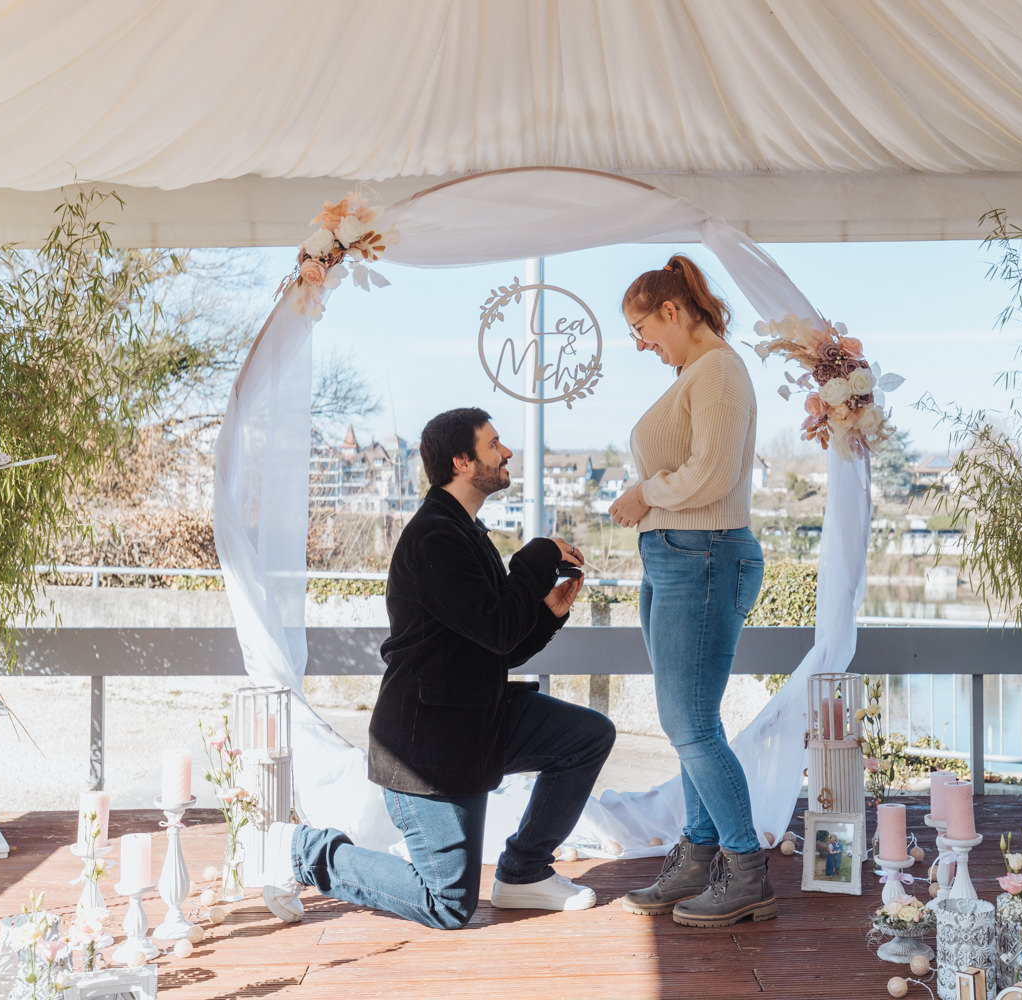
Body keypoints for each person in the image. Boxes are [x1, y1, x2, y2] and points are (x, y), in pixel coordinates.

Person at [251, 407, 616, 929]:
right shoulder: (434, 539)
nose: (507, 452)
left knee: (586, 736)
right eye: (494, 445)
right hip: (429, 744)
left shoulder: (464, 532)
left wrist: (545, 616)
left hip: (478, 718)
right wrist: (536, 557)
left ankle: (524, 872)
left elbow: (498, 645)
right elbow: (495, 627)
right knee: (447, 904)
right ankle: (302, 851)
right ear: (462, 461)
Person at [608, 254, 773, 928]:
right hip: (677, 559)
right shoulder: (700, 374)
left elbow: (711, 472)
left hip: (702, 558)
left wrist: (646, 492)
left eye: (642, 328)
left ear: (672, 311)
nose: (641, 344)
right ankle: (702, 857)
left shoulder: (720, 373)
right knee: (686, 728)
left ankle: (746, 870)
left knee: (691, 726)